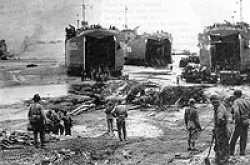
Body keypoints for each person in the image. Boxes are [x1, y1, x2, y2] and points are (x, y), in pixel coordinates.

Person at [210, 94, 230, 165]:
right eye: (212, 103)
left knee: (222, 146)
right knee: (219, 146)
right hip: (221, 130)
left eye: (214, 102)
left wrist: (218, 126)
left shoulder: (220, 109)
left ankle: (223, 161)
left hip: (222, 130)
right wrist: (214, 128)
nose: (213, 104)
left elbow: (220, 118)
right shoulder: (219, 107)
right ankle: (220, 159)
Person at [230, 90, 250, 156]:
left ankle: (231, 152)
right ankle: (242, 152)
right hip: (246, 120)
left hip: (240, 121)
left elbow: (236, 112)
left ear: (235, 95)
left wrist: (237, 121)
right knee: (244, 137)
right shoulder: (247, 101)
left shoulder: (236, 102)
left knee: (234, 137)